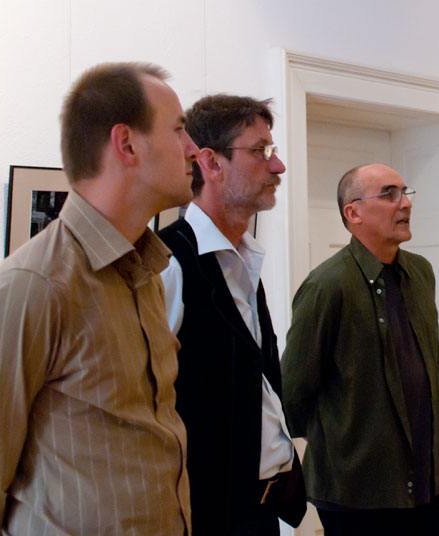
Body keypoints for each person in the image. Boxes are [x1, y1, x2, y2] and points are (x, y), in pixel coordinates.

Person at [0, 62, 199, 534]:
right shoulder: (33, 284)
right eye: (178, 130)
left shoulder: (147, 274)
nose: (192, 149)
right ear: (126, 143)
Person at [159, 94, 306, 535]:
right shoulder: (169, 264)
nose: (278, 166)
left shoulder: (244, 259)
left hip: (261, 512)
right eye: (260, 150)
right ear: (210, 162)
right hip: (203, 516)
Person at [282, 163, 439, 536]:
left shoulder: (420, 273)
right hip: (357, 492)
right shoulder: (327, 285)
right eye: (389, 194)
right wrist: (344, 442)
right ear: (353, 212)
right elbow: (293, 391)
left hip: (423, 483)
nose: (405, 203)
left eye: (405, 193)